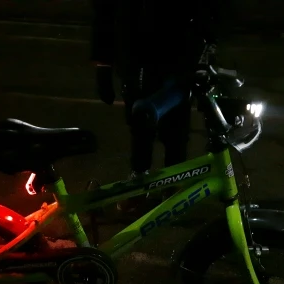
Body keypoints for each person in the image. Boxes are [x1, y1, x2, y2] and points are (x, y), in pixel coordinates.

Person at [90, 0, 231, 211]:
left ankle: (173, 185)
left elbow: (212, 9)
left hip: (180, 52)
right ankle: (139, 182)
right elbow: (104, 11)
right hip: (136, 53)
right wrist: (103, 63)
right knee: (140, 123)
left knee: (177, 128)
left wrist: (208, 45)